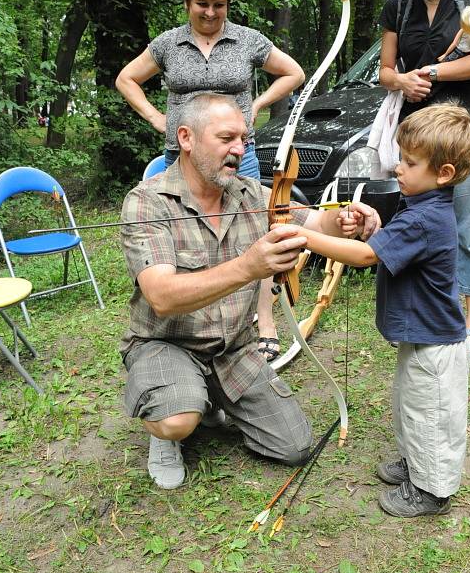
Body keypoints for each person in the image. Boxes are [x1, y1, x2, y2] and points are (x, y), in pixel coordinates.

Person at [119, 93, 380, 490]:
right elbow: (163, 296)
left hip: (233, 347)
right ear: (186, 138)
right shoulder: (147, 202)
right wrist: (247, 268)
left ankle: (205, 396)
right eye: (226, 138)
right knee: (176, 420)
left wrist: (346, 220)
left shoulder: (251, 193)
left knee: (294, 446)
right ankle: (169, 430)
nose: (239, 149)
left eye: (243, 139)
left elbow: (311, 223)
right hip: (167, 342)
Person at [278, 104, 470, 517]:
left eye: (409, 162)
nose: (398, 169)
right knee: (411, 407)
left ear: (443, 173)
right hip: (421, 337)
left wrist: (303, 234)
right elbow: (391, 242)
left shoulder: (426, 216)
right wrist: (373, 223)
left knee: (432, 415)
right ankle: (416, 466)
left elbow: (367, 257)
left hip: (436, 344)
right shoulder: (422, 203)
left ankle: (433, 492)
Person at [116, 0, 306, 363]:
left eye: (219, 4)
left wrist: (256, 105)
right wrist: (156, 117)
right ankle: (199, 325)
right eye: (202, 2)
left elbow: (294, 73)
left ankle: (264, 321)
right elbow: (126, 78)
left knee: (257, 233)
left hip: (240, 157)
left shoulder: (247, 40)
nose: (210, 12)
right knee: (192, 237)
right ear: (188, 2)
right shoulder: (168, 44)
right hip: (182, 156)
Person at [378, 0, 470, 364]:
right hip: (418, 133)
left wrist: (430, 69)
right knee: (418, 223)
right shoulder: (399, 4)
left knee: (466, 226)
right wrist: (402, 80)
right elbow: (388, 71)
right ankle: (426, 314)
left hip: (467, 129)